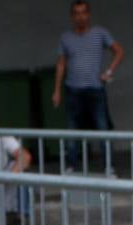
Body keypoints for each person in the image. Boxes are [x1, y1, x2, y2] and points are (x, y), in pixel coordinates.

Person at [52, 0, 124, 172]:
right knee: (72, 130)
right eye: (76, 13)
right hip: (73, 89)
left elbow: (119, 51)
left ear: (89, 14)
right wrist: (56, 91)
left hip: (95, 89)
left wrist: (109, 72)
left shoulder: (100, 33)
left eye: (83, 12)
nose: (80, 16)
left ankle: (108, 166)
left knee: (102, 128)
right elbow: (61, 64)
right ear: (72, 16)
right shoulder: (65, 38)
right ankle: (72, 165)